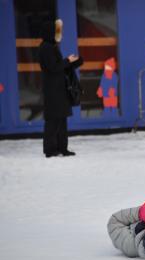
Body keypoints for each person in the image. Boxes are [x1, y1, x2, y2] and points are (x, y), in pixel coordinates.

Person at [38, 19, 83, 158]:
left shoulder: (51, 46)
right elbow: (53, 67)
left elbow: (59, 67)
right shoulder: (45, 47)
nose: (59, 34)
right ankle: (50, 150)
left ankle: (63, 148)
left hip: (59, 89)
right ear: (50, 33)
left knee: (62, 119)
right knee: (53, 121)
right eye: (56, 31)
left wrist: (74, 62)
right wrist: (68, 61)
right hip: (53, 90)